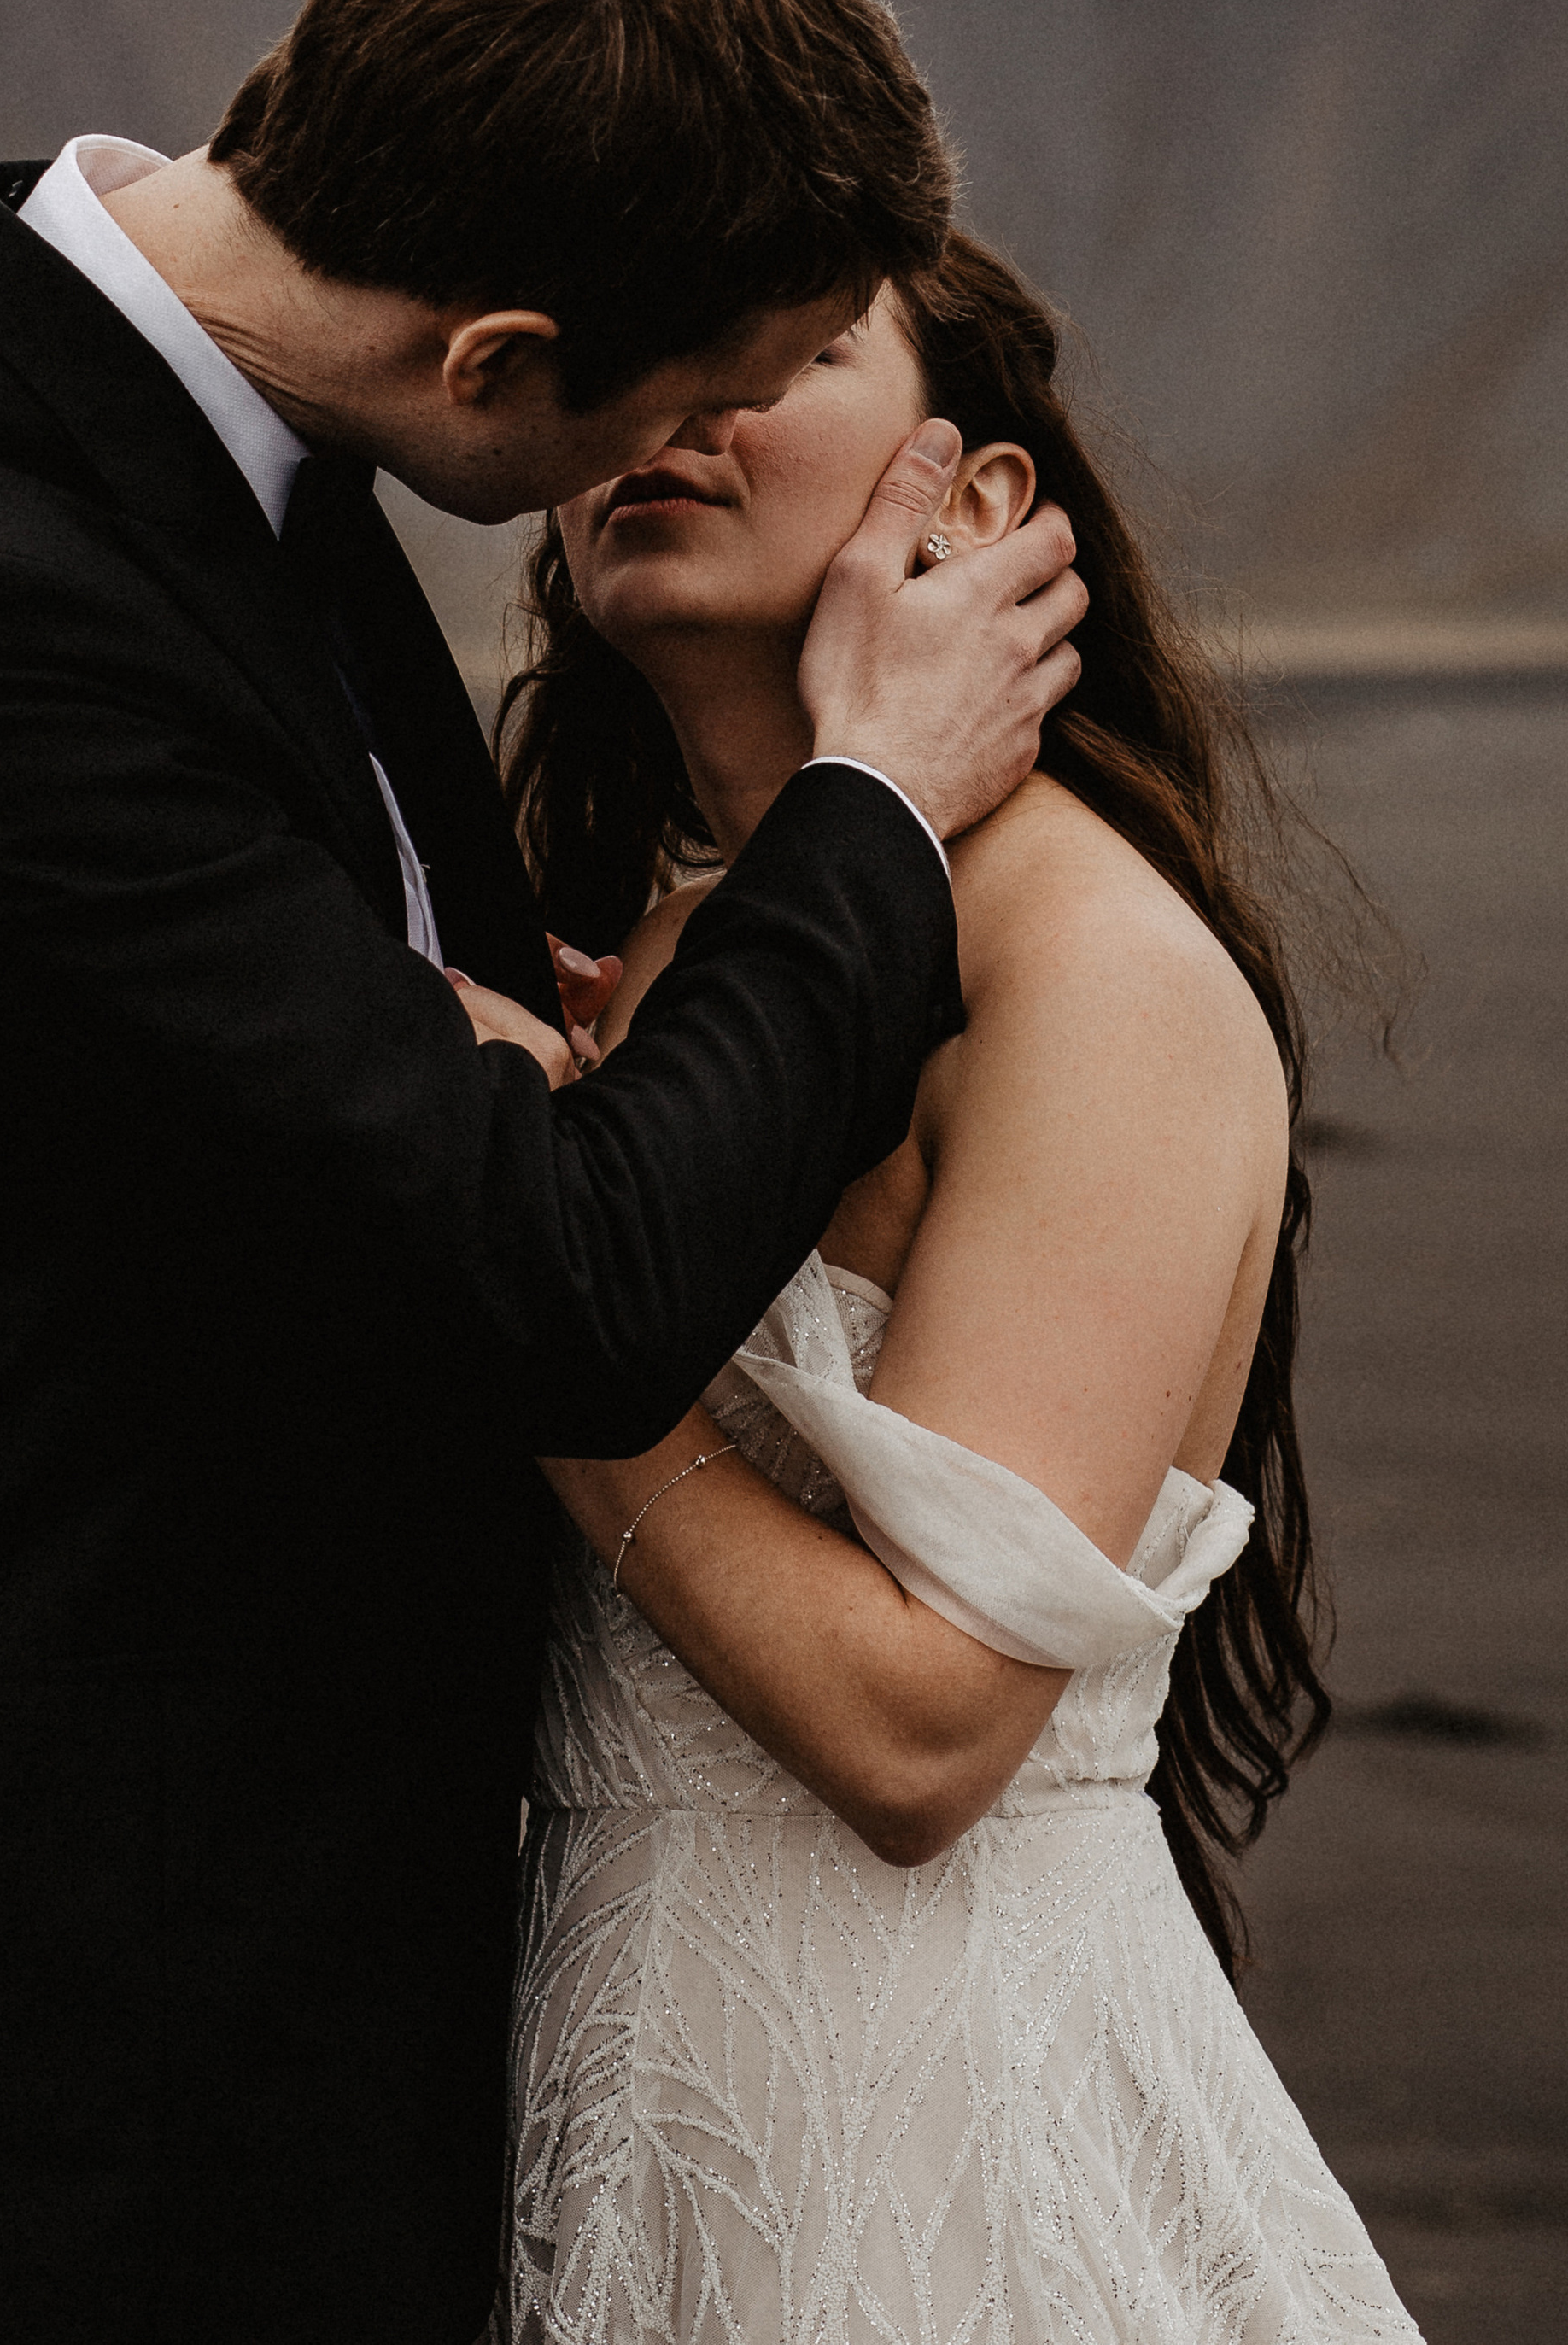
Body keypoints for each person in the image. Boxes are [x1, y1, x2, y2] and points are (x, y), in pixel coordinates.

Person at [0, 0, 1085, 2344]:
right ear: (498, 362)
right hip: (54, 2108)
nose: (690, 455)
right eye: (688, 401)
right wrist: (876, 804)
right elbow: (562, 1281)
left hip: (267, 2025)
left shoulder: (227, 442)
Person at [491, 237, 1420, 2339]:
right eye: (646, 335)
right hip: (613, 2091)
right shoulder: (645, 979)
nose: (682, 393)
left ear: (980, 505)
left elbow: (923, 1736)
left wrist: (532, 1291)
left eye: (791, 347)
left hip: (927, 2154)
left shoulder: (1091, 972)